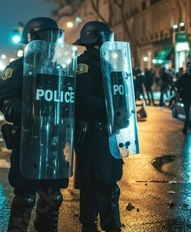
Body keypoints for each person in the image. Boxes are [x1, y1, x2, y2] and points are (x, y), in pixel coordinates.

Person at [0, 17, 72, 231]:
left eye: (54, 38)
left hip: (54, 144)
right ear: (33, 40)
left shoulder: (59, 70)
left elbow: (69, 102)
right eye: (47, 38)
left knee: (52, 197)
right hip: (28, 141)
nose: (52, 44)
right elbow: (5, 99)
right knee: (25, 199)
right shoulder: (18, 67)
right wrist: (29, 111)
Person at [73, 21, 123, 232]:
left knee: (97, 181)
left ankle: (89, 224)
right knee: (104, 182)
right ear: (98, 39)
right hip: (92, 132)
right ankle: (109, 226)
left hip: (107, 131)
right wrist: (112, 107)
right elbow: (84, 100)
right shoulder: (84, 64)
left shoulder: (106, 63)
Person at [175, 62, 191, 134]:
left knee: (189, 112)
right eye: (189, 66)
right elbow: (178, 85)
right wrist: (179, 92)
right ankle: (187, 126)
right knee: (187, 112)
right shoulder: (184, 77)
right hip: (185, 97)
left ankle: (187, 126)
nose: (190, 68)